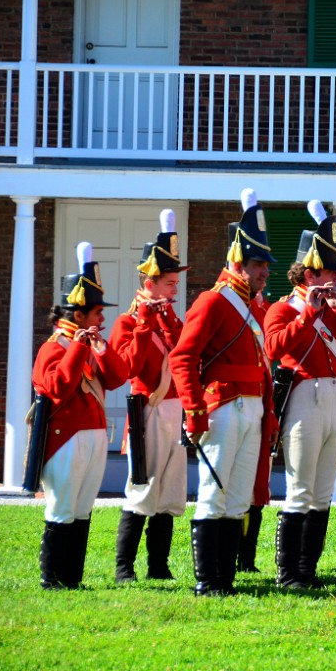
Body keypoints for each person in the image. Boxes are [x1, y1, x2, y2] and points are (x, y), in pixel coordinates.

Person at [264, 200, 336, 588]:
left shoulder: (334, 309)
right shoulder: (284, 308)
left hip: (335, 399)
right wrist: (308, 315)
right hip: (304, 399)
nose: (335, 279)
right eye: (330, 272)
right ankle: (287, 572)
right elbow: (274, 347)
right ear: (311, 273)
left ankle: (308, 569)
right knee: (300, 488)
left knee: (322, 492)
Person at [169, 189, 278, 596]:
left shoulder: (255, 307)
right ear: (238, 263)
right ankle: (206, 581)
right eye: (257, 264)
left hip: (251, 407)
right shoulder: (213, 302)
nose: (265, 271)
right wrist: (194, 411)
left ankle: (226, 580)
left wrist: (267, 413)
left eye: (266, 264)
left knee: (239, 497)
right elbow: (183, 359)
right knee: (213, 494)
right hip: (223, 406)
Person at [33, 243, 129, 589]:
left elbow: (118, 378)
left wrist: (101, 350)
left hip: (93, 434)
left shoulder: (90, 346)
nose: (103, 319)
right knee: (62, 509)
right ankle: (52, 579)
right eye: (97, 313)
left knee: (83, 510)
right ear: (78, 315)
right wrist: (78, 346)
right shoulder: (52, 348)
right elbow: (58, 386)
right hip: (66, 439)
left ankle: (72, 578)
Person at [110, 210, 189, 584]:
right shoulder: (129, 322)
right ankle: (124, 568)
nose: (175, 290)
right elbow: (127, 367)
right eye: (170, 283)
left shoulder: (173, 320)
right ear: (150, 282)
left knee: (170, 492)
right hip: (148, 409)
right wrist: (144, 321)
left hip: (174, 411)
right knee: (142, 489)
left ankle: (158, 565)